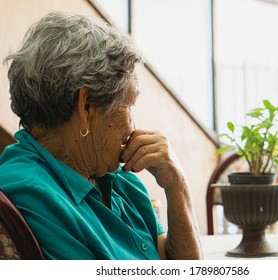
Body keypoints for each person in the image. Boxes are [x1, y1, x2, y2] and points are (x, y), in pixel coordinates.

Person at [0, 11, 202, 260]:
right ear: (86, 107)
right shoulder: (31, 192)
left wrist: (177, 186)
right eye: (128, 105)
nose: (133, 127)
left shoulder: (117, 177)